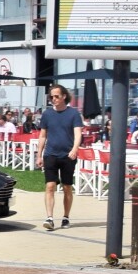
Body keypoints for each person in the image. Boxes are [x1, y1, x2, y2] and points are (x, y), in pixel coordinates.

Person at [37, 83, 84, 232]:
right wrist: (39, 155)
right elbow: (42, 135)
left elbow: (78, 133)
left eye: (56, 96)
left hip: (67, 155)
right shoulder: (47, 114)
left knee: (67, 187)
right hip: (50, 154)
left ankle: (66, 216)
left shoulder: (73, 114)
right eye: (51, 97)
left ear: (64, 96)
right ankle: (49, 218)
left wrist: (75, 149)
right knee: (50, 186)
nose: (54, 99)